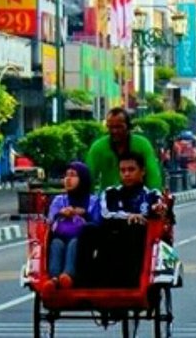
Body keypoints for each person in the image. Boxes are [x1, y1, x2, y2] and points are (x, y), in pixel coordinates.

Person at [93, 152, 164, 287]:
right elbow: (106, 214)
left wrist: (155, 211)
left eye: (131, 170)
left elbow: (159, 211)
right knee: (89, 230)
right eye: (123, 170)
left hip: (139, 243)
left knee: (135, 228)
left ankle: (132, 281)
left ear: (142, 171)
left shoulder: (152, 195)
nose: (126, 174)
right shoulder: (110, 193)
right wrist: (129, 216)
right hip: (112, 237)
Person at [42, 162, 101, 292]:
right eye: (66, 175)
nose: (68, 179)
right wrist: (61, 213)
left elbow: (98, 223)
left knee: (74, 243)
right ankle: (54, 278)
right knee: (56, 244)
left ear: (83, 179)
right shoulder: (59, 200)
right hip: (61, 236)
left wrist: (84, 214)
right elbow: (50, 220)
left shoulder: (93, 201)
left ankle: (68, 275)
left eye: (73, 175)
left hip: (83, 241)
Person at [86, 107, 162, 191]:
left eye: (119, 127)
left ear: (129, 126)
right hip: (108, 200)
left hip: (137, 199)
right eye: (111, 127)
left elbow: (153, 175)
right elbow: (88, 177)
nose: (115, 131)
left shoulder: (142, 144)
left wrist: (154, 197)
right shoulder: (98, 147)